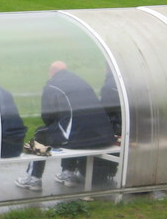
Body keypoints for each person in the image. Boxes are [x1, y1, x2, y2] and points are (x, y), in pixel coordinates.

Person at [15, 61, 116, 192]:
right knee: (70, 129)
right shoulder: (82, 82)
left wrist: (55, 126)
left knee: (42, 133)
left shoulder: (52, 86)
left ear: (51, 72)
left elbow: (47, 116)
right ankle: (68, 173)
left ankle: (33, 179)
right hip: (104, 136)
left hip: (80, 139)